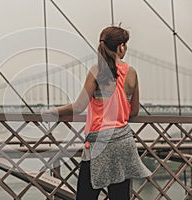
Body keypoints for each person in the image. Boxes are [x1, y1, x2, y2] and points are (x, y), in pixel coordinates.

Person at [42, 26, 151, 200]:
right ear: (121, 47)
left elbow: (78, 107)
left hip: (99, 143)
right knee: (120, 196)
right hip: (123, 141)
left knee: (86, 196)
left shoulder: (96, 71)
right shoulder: (132, 73)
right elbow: (134, 110)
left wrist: (53, 111)